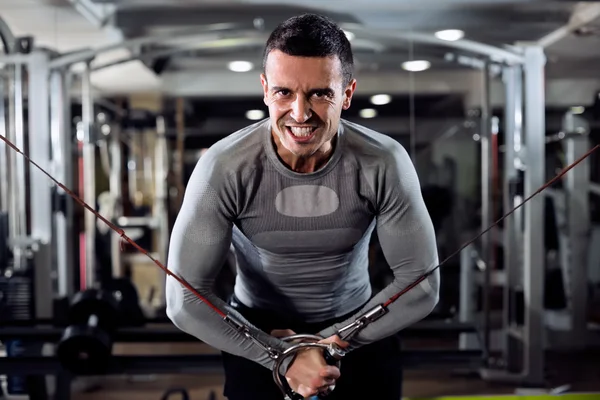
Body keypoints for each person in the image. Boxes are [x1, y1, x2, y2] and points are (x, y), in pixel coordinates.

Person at [166, 13, 440, 400]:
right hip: (257, 331)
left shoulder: (383, 162)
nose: (299, 113)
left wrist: (332, 342)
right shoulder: (224, 167)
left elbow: (422, 284)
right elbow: (184, 299)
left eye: (320, 93)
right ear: (264, 89)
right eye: (283, 92)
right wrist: (278, 354)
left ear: (347, 93)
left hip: (359, 328)